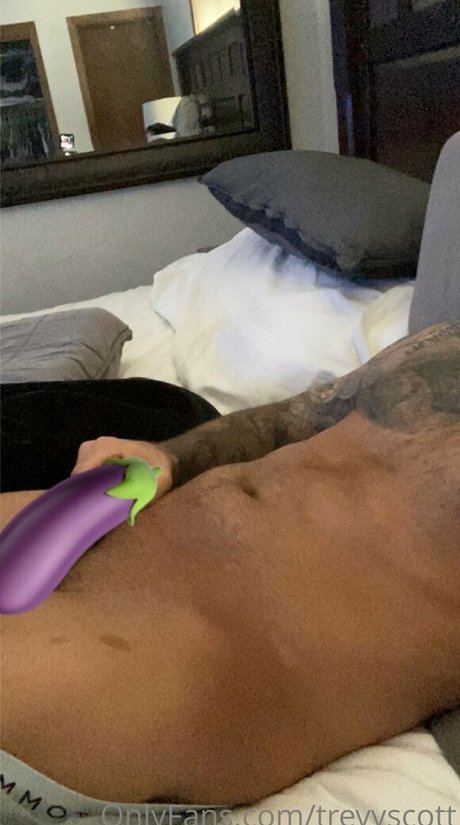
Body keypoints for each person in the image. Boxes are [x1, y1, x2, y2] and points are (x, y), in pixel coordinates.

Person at [0, 321, 459, 822]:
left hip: (171, 656)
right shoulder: (447, 342)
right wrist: (169, 455)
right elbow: (292, 420)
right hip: (88, 529)